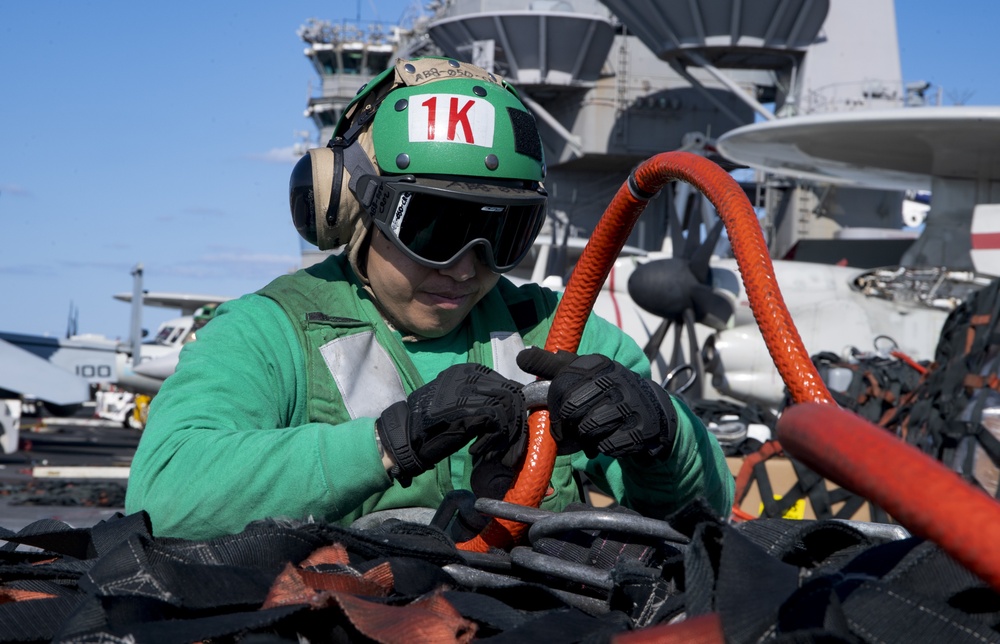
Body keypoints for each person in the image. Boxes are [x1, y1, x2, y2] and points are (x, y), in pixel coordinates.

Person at [125, 57, 735, 541]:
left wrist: (665, 436)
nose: (466, 267)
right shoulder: (269, 331)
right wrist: (392, 441)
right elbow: (165, 494)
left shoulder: (560, 334)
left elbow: (711, 506)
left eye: (501, 234)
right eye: (434, 230)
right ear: (350, 205)